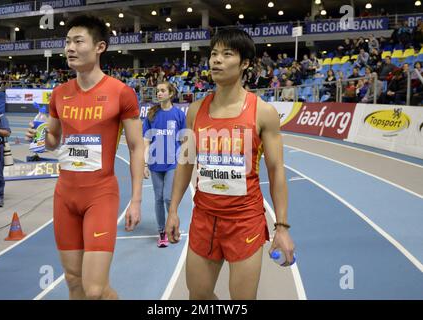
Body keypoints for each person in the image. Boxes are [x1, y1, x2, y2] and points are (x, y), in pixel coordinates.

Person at [165, 28, 295, 300]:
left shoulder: (263, 112)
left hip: (244, 220)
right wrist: (173, 209)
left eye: (226, 54)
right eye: (213, 54)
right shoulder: (195, 110)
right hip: (204, 217)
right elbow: (185, 162)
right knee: (197, 295)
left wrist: (281, 227)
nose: (216, 60)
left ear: (245, 63)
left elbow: (276, 170)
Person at [25, 15, 144, 300]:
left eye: (78, 41)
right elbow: (53, 141)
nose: (70, 48)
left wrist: (136, 200)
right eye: (67, 42)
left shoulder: (121, 93)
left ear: (99, 46)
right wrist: (41, 138)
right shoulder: (59, 94)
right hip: (65, 195)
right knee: (73, 279)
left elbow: (137, 146)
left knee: (94, 290)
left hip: (100, 195)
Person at [142, 82, 186, 247]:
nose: (159, 93)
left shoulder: (179, 115)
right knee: (158, 198)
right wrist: (145, 165)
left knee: (168, 197)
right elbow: (146, 142)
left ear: (170, 93)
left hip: (172, 164)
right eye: (157, 91)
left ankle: (172, 225)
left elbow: (184, 140)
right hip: (154, 164)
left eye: (162, 90)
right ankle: (162, 232)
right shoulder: (151, 115)